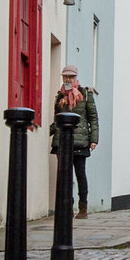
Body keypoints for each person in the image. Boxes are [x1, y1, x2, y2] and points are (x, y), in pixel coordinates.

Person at [51, 66, 99, 216]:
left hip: (80, 141)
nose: (67, 80)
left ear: (75, 78)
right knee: (64, 176)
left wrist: (94, 139)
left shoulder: (85, 94)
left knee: (80, 174)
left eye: (70, 77)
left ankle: (83, 207)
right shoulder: (60, 96)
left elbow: (93, 118)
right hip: (62, 141)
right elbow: (57, 119)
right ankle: (67, 207)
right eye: (65, 77)